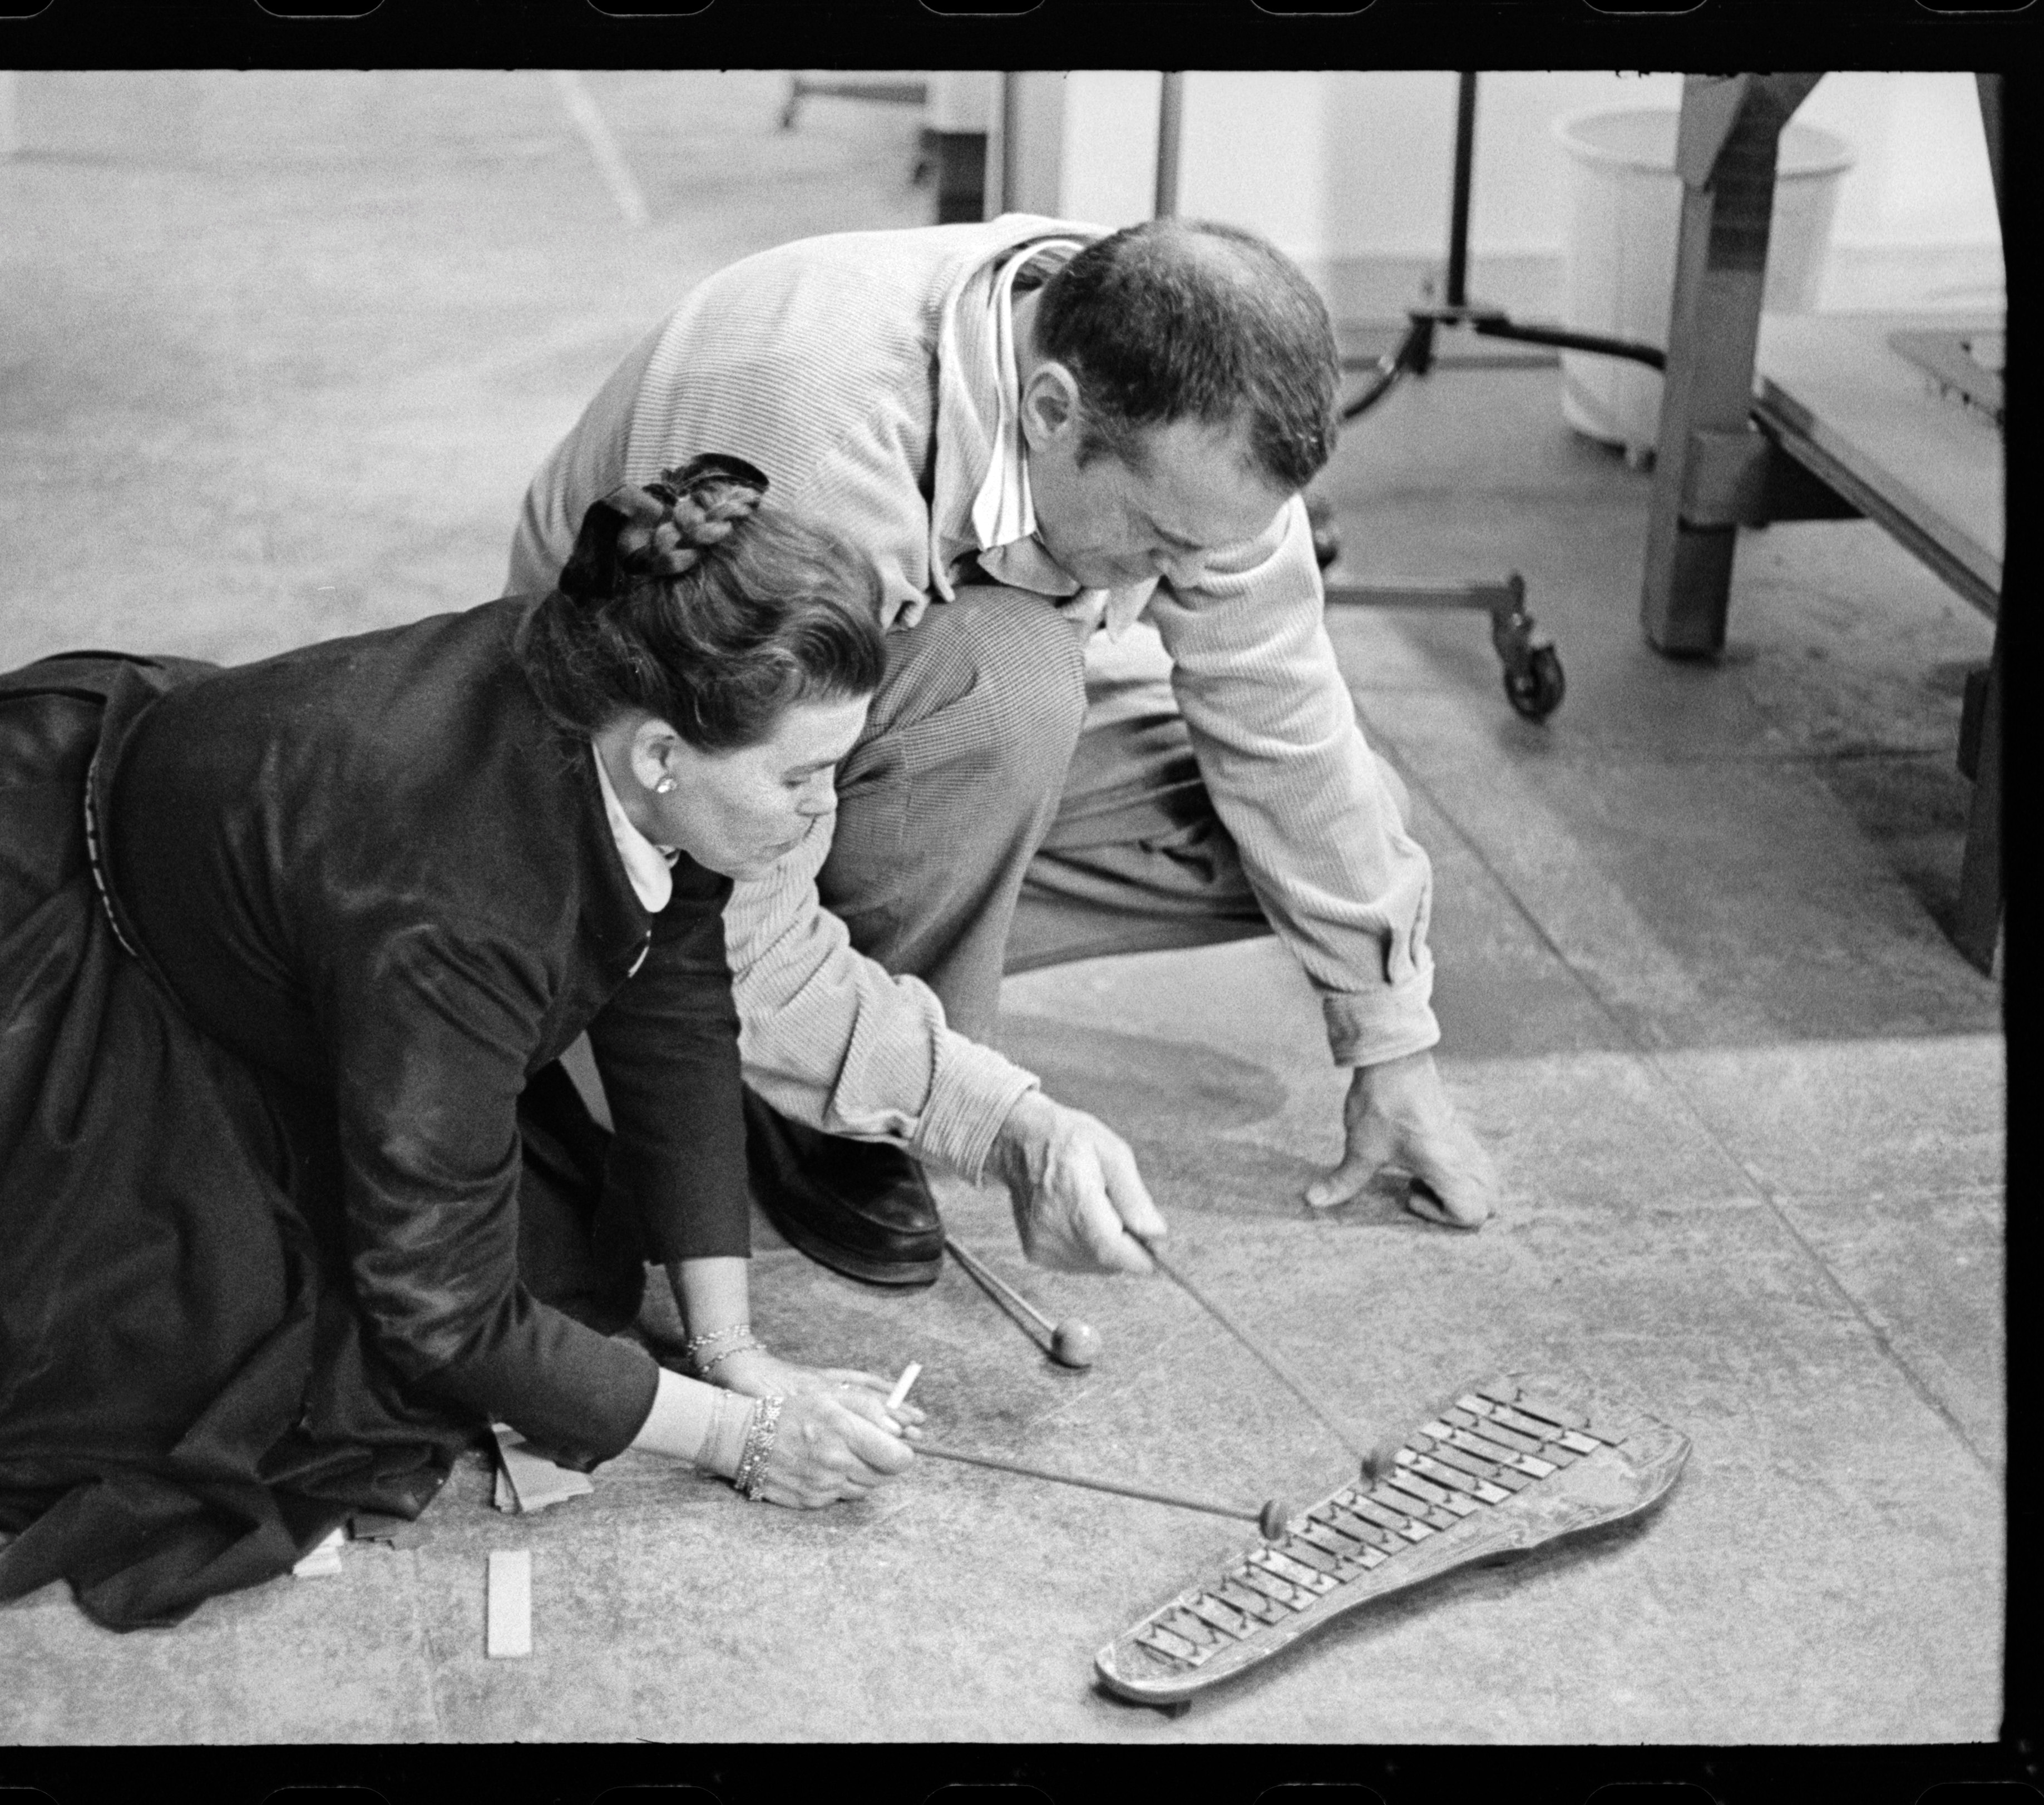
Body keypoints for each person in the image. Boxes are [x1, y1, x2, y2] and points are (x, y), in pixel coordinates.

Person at [0, 455, 922, 1632]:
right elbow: (442, 1312)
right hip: (1, 950)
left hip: (265, 879)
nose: (824, 810)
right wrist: (741, 1438)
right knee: (233, 1389)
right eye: (803, 780)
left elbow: (676, 1004)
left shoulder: (619, 695)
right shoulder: (456, 907)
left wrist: (733, 1349)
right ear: (659, 757)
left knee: (542, 1266)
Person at [511, 215, 1502, 1292]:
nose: (1182, 574)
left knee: (1323, 817)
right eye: (1161, 542)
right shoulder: (821, 456)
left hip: (858, 722)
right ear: (1050, 410)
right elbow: (737, 891)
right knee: (1010, 677)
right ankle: (808, 1086)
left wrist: (1390, 1041)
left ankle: (864, 1014)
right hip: (650, 775)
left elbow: (1285, 718)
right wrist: (995, 1119)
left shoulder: (1192, 435)